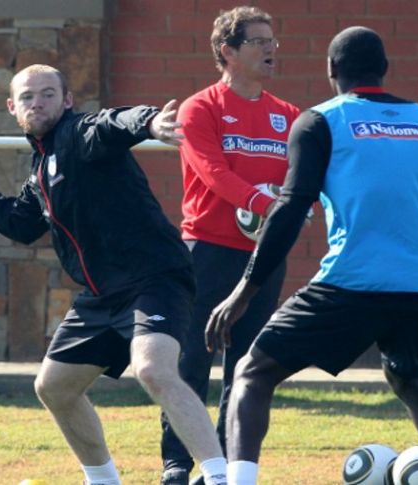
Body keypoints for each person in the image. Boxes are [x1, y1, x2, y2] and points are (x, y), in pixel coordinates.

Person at [206, 27, 418, 485]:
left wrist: (243, 292)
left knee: (252, 372)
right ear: (384, 69)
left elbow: (290, 210)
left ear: (331, 69)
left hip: (353, 281)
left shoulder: (319, 121)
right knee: (409, 379)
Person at [0, 64, 227, 485]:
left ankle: (220, 477)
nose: (37, 103)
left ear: (67, 100)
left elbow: (113, 123)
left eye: (48, 94)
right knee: (54, 387)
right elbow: (22, 224)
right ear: (12, 107)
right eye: (27, 97)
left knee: (153, 369)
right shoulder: (41, 167)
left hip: (153, 278)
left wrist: (150, 123)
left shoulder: (79, 134)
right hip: (102, 295)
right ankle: (102, 479)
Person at [158, 7, 300, 485]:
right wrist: (266, 204)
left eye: (272, 40)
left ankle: (223, 466)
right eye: (259, 41)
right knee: (190, 361)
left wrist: (297, 206)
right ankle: (178, 463)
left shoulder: (288, 116)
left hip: (264, 256)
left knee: (245, 366)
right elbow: (212, 172)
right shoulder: (201, 108)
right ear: (228, 52)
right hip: (206, 251)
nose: (271, 48)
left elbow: (301, 180)